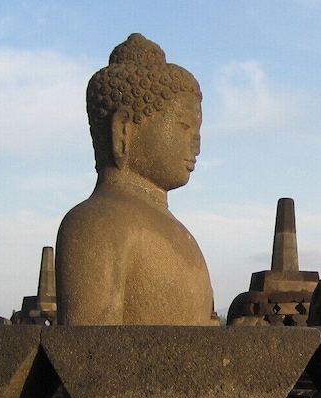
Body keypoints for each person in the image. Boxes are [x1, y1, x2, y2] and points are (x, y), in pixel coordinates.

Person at [56, 33, 217, 325]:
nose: (196, 144)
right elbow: (90, 356)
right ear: (124, 130)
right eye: (183, 126)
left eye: (197, 130)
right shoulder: (95, 224)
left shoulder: (178, 232)